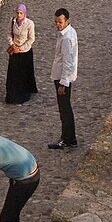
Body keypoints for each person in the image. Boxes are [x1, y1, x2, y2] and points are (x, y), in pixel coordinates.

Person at [48, 8, 78, 149]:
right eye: (56, 22)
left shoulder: (66, 38)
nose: (57, 25)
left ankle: (66, 138)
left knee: (64, 109)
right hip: (63, 76)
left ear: (67, 21)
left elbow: (68, 62)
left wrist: (63, 83)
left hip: (62, 77)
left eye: (60, 22)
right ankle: (70, 137)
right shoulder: (69, 32)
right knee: (66, 108)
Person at [5, 5, 37, 105]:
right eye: (17, 13)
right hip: (14, 50)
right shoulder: (12, 21)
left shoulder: (29, 23)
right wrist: (12, 45)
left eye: (21, 13)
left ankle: (22, 93)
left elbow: (31, 39)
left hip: (24, 52)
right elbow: (9, 33)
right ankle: (11, 95)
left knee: (23, 74)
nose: (19, 15)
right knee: (13, 73)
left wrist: (21, 48)